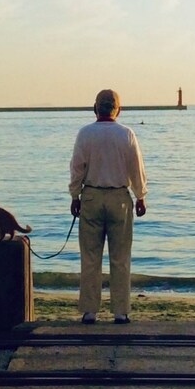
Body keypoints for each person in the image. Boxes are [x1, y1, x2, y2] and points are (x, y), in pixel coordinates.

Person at [68, 88, 148, 324]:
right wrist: (140, 196)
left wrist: (75, 195)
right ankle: (120, 311)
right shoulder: (126, 134)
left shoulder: (85, 134)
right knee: (120, 257)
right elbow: (136, 169)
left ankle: (90, 311)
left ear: (95, 108)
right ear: (118, 110)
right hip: (119, 198)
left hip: (91, 196)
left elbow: (77, 168)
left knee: (90, 257)